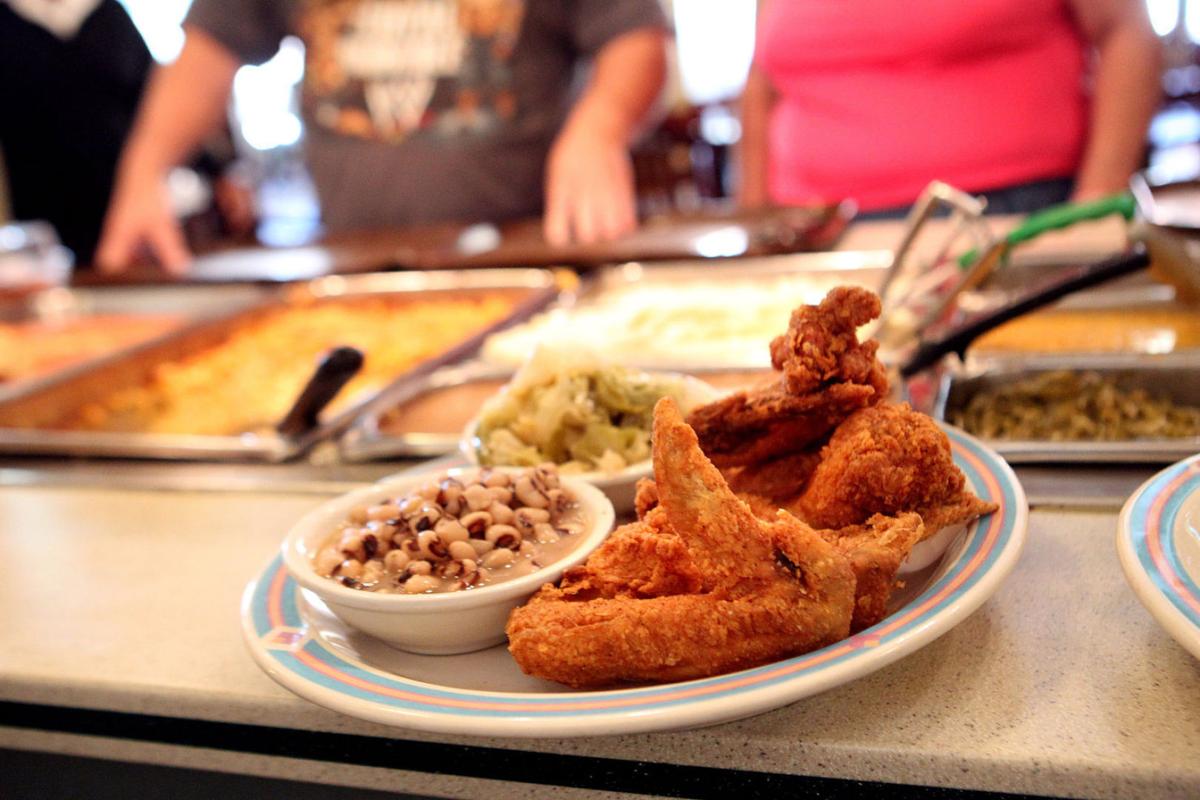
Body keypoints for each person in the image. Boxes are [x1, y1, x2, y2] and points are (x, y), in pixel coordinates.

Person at [97, 0, 668, 273]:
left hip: (533, 258)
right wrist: (145, 170)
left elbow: (636, 36)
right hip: (355, 268)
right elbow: (208, 50)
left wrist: (599, 127)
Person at [738, 0, 1163, 216]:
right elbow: (763, 78)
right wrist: (754, 221)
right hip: (812, 229)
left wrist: (1094, 203)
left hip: (1005, 217)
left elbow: (1126, 31)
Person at [0, 0, 152, 263]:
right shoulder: (7, 26)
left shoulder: (109, 15)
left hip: (122, 211)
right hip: (38, 228)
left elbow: (154, 104)